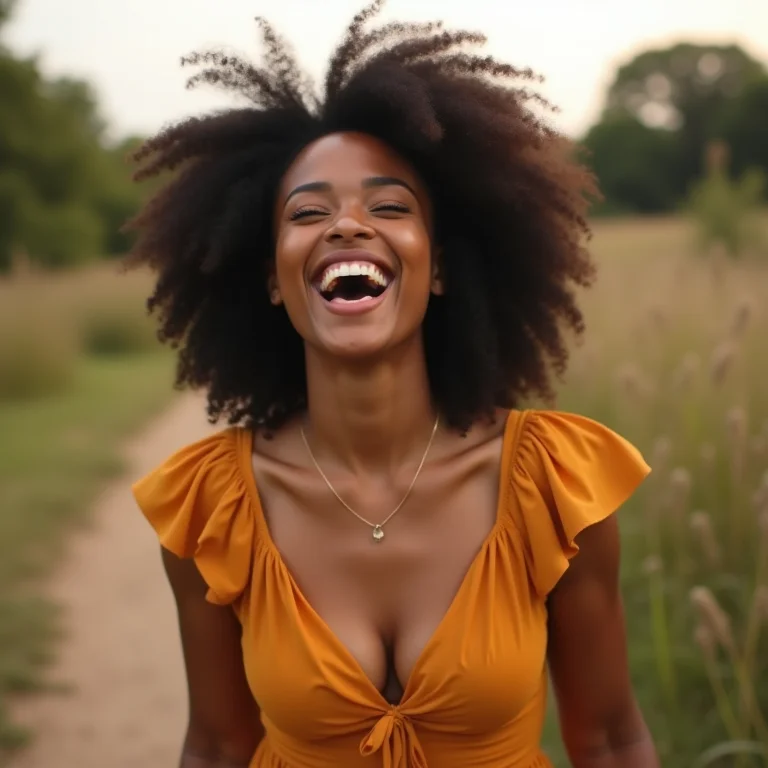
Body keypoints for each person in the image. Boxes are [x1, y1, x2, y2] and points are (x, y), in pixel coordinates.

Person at [127, 3, 658, 767]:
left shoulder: (552, 487)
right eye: (309, 212)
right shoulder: (215, 510)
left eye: (388, 206)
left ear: (438, 266)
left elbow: (610, 740)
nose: (347, 226)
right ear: (273, 279)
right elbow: (215, 747)